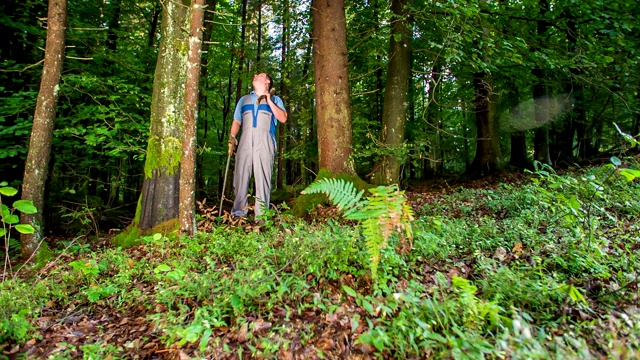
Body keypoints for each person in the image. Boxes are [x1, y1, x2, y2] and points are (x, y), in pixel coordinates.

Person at [228, 73, 287, 221]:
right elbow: (237, 121)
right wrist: (232, 137)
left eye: (259, 75)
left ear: (267, 81)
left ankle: (261, 217)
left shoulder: (275, 99)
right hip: (245, 139)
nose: (254, 75)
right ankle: (238, 214)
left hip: (265, 139)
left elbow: (283, 118)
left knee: (263, 177)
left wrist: (269, 100)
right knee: (241, 175)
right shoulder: (244, 100)